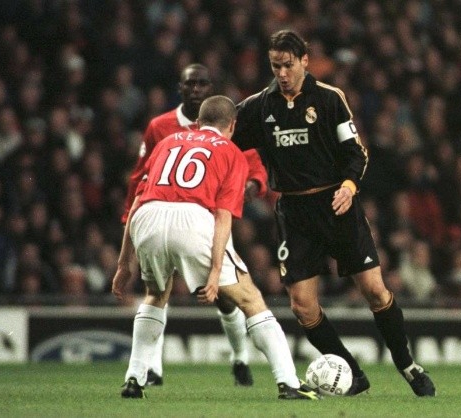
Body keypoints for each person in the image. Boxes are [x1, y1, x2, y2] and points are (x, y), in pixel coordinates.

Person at [232, 30, 436, 397]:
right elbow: (224, 143)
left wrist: (349, 186)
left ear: (304, 61)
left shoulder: (329, 99)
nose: (281, 73)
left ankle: (406, 363)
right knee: (302, 306)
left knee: (375, 290)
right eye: (275, 65)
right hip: (293, 211)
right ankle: (352, 373)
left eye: (288, 65)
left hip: (336, 204)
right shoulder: (259, 107)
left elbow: (357, 152)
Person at [112, 95, 320, 401]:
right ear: (232, 126)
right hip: (193, 219)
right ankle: (288, 383)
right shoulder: (232, 153)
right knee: (250, 299)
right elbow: (223, 217)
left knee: (155, 295)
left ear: (197, 123)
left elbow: (137, 202)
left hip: (148, 218)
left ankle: (134, 379)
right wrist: (213, 276)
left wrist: (122, 266)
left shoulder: (168, 142)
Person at [122, 63, 267, 386]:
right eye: (191, 84)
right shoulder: (160, 127)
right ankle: (153, 370)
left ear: (209, 89)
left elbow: (255, 164)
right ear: (181, 88)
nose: (196, 89)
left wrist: (251, 187)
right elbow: (141, 174)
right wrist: (129, 215)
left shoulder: (228, 127)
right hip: (171, 215)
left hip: (217, 217)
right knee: (159, 291)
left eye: (202, 84)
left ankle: (239, 356)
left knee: (224, 296)